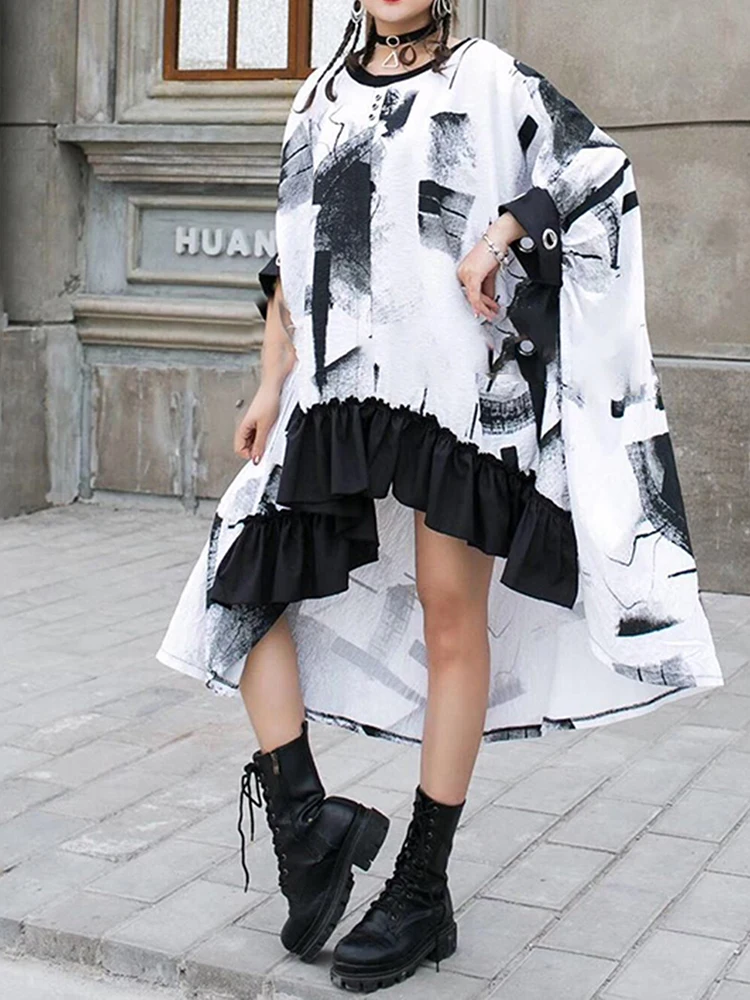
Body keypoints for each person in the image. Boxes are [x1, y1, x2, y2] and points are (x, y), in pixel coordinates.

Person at [156, 0, 724, 992]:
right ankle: (307, 826)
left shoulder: (489, 80)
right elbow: (294, 253)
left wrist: (502, 230)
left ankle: (421, 885)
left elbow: (597, 169)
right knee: (241, 591)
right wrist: (268, 382)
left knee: (453, 619)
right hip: (334, 394)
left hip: (452, 397)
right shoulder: (320, 95)